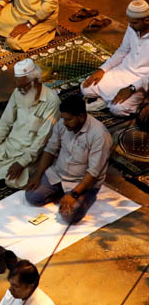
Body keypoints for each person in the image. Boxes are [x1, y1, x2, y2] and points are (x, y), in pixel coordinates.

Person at [0, 58, 60, 189]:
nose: (21, 91)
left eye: (24, 87)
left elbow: (42, 139)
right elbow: (5, 123)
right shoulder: (18, 92)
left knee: (12, 181)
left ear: (36, 81)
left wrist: (22, 162)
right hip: (10, 145)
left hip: (30, 153)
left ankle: (23, 170)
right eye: (19, 87)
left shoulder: (52, 101)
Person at [25, 94, 111, 223]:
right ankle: (62, 193)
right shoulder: (63, 123)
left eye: (69, 120)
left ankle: (83, 196)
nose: (64, 123)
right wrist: (38, 175)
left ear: (81, 117)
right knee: (32, 197)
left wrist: (74, 194)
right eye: (63, 119)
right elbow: (50, 150)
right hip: (58, 174)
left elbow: (93, 172)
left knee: (69, 215)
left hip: (81, 183)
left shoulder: (99, 135)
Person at [82, 0, 149, 116]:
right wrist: (102, 69)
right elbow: (123, 51)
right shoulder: (132, 27)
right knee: (86, 88)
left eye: (134, 23)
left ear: (147, 20)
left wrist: (132, 88)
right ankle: (107, 101)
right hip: (123, 70)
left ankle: (142, 101)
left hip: (142, 81)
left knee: (118, 109)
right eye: (130, 23)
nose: (131, 26)